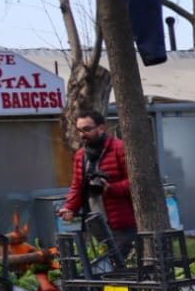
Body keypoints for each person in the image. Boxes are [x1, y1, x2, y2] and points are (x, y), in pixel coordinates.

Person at [57, 109, 137, 261]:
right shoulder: (81, 155)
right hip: (95, 220)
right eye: (79, 130)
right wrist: (69, 207)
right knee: (103, 263)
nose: (82, 134)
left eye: (87, 129)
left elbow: (135, 182)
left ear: (101, 128)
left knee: (119, 262)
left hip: (121, 219)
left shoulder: (119, 148)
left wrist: (111, 188)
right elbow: (77, 186)